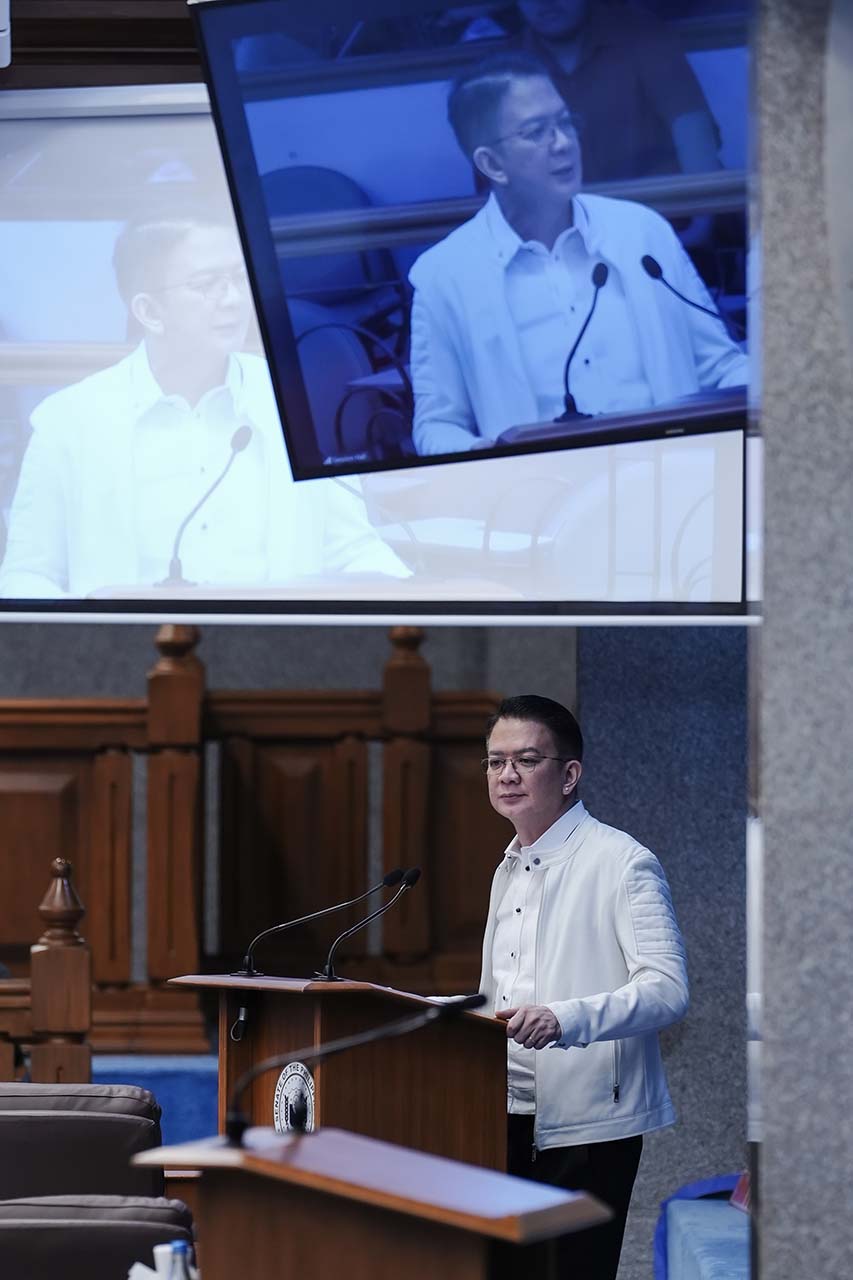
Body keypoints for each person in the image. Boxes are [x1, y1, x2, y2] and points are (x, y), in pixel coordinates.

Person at [0, 215, 409, 598]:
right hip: (127, 646)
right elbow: (29, 575)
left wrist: (408, 601)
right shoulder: (68, 421)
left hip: (276, 642)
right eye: (206, 284)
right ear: (149, 311)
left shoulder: (290, 397)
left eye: (239, 279)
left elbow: (352, 549)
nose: (233, 299)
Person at [408, 53, 747, 455]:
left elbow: (719, 366)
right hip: (543, 485)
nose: (564, 143)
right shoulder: (443, 275)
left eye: (565, 122)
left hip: (672, 468)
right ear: (492, 164)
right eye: (537, 132)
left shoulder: (641, 232)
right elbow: (438, 425)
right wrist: (486, 459)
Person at [479, 693, 688, 1280]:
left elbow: (668, 989)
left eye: (526, 760)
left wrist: (564, 1018)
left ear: (569, 775)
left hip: (587, 1129)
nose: (507, 775)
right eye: (495, 762)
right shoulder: (507, 867)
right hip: (498, 1115)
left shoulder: (622, 862)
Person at [517, 0, 723, 183]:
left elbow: (691, 127)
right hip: (573, 211)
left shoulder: (641, 33)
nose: (545, 2)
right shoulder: (511, 63)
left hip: (664, 206)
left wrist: (701, 207)